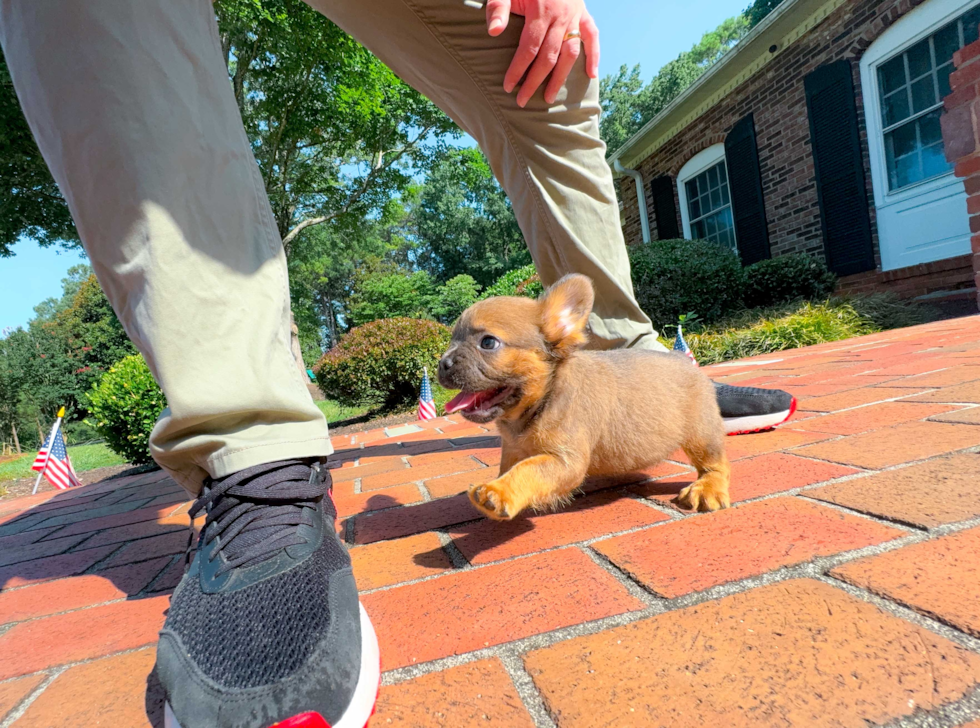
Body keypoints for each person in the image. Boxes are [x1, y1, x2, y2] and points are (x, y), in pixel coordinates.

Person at [0, 1, 794, 725]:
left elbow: (547, 458)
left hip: (602, 384)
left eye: (482, 346)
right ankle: (252, 449)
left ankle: (635, 360)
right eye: (462, 346)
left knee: (542, 63)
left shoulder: (552, 340)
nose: (455, 362)